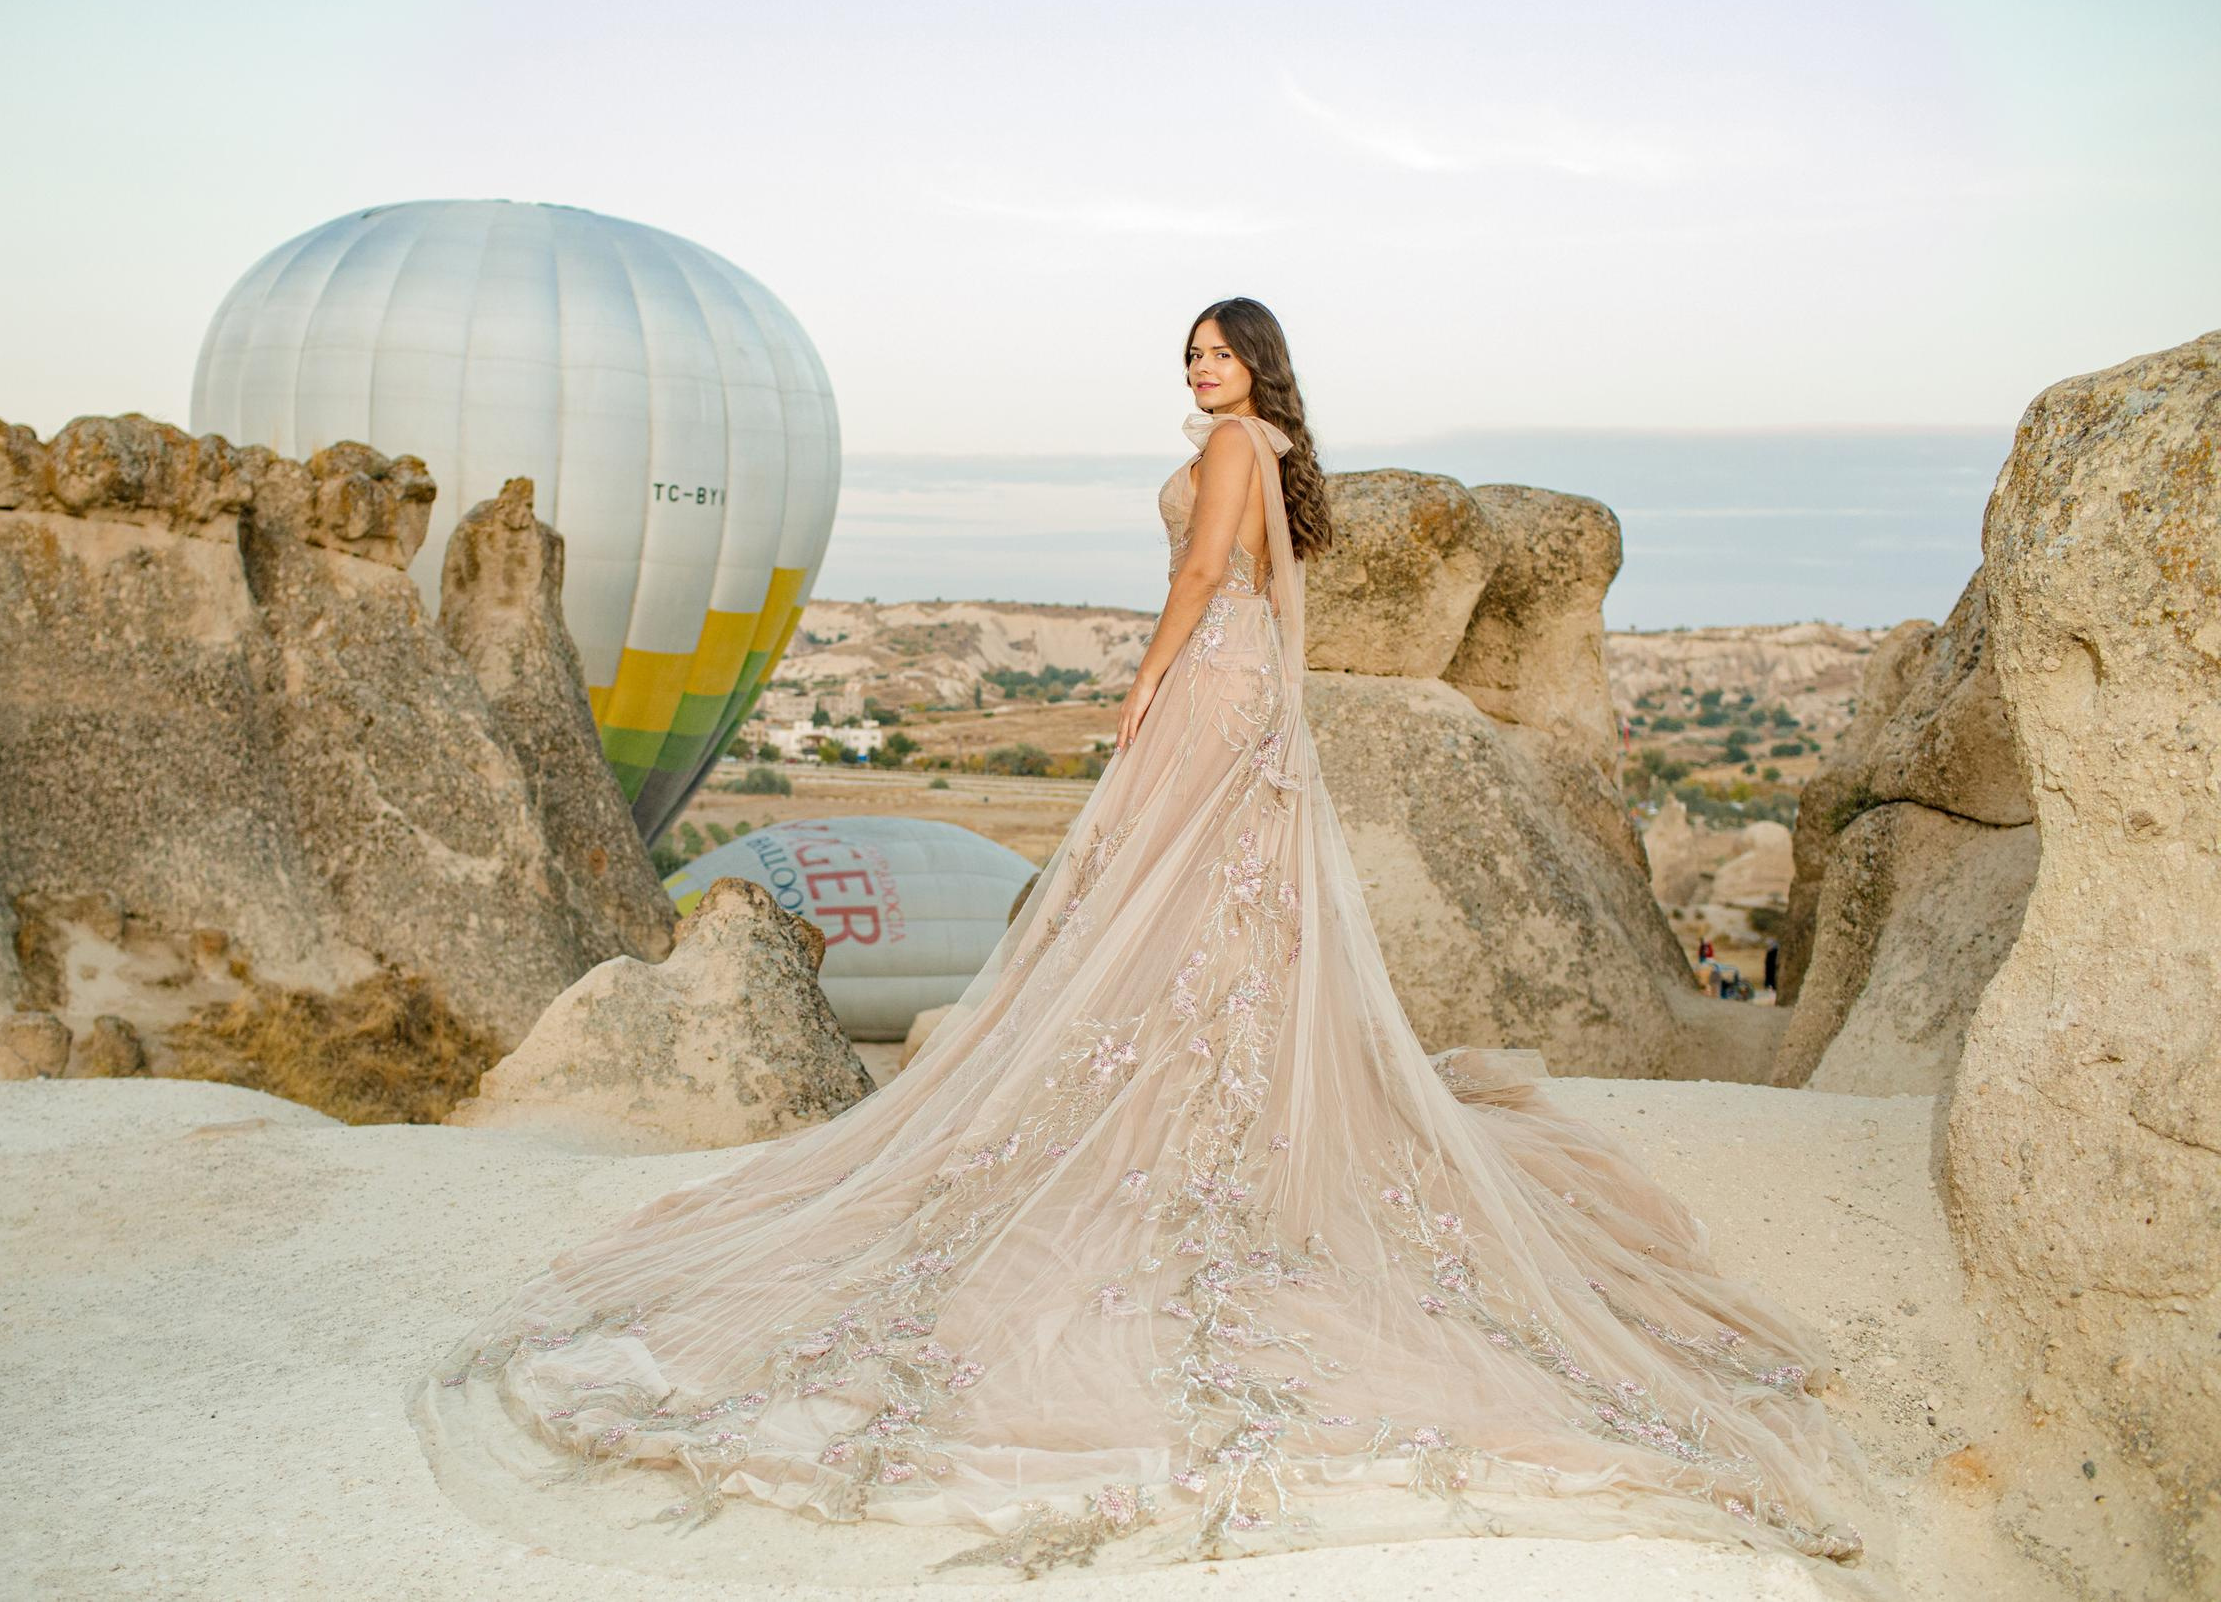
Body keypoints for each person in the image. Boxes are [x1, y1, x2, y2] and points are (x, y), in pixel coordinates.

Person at [414, 298, 1870, 1578]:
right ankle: (1206, 1100)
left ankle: (1186, 1106)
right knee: (1207, 903)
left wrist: (1146, 684)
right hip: (1251, 680)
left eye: (1221, 351)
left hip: (1211, 668)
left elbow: (1203, 578)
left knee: (1165, 883)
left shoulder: (1239, 458)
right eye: (1191, 352)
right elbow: (1269, 587)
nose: (1202, 369)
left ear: (1260, 371)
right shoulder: (1282, 455)